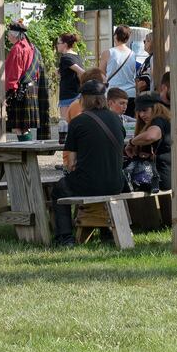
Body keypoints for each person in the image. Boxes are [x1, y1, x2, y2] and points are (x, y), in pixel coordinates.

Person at [51, 79, 127, 246]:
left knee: (59, 189)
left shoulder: (78, 121)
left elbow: (70, 163)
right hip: (116, 183)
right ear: (104, 99)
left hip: (89, 184)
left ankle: (65, 237)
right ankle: (105, 232)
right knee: (91, 181)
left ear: (84, 99)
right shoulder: (116, 120)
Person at [3, 21, 45, 141]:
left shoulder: (17, 49)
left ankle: (26, 155)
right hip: (31, 88)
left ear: (14, 34)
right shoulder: (31, 47)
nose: (7, 36)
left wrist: (9, 93)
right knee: (25, 127)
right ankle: (28, 152)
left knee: (18, 127)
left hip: (20, 90)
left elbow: (14, 72)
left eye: (8, 34)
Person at [125, 93, 173, 191]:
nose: (141, 115)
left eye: (145, 110)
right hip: (168, 176)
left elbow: (150, 136)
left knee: (121, 181)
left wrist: (131, 143)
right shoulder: (166, 121)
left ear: (156, 108)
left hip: (161, 179)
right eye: (139, 111)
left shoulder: (159, 120)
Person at [55, 33, 84, 136]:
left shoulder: (65, 57)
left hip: (68, 95)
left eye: (58, 43)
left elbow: (81, 72)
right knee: (76, 123)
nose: (56, 45)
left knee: (64, 124)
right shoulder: (77, 56)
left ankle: (67, 148)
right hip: (77, 94)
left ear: (65, 44)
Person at [103, 25, 139, 94]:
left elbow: (101, 74)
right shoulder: (133, 54)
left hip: (113, 93)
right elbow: (134, 75)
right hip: (130, 92)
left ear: (115, 36)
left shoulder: (107, 53)